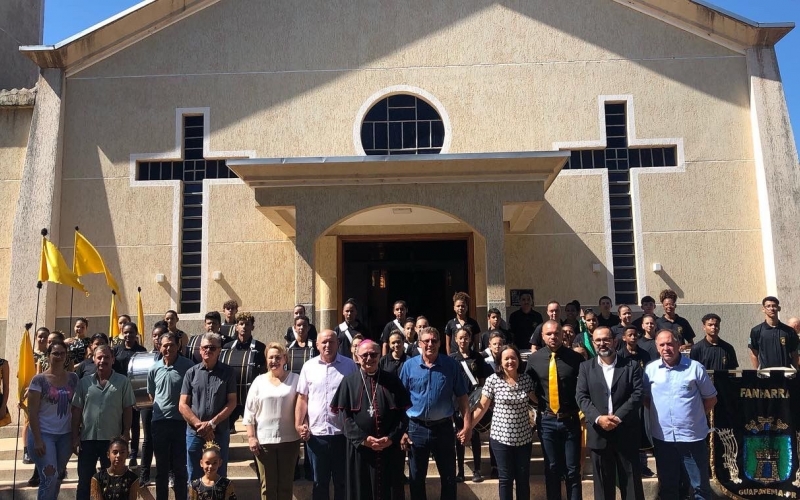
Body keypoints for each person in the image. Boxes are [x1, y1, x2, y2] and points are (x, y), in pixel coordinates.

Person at [332, 340, 410, 500]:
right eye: (365, 355)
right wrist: (363, 439)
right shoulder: (348, 382)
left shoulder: (392, 380)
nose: (369, 358)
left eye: (373, 354)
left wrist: (391, 438)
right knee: (361, 491)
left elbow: (402, 416)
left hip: (390, 450)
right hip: (360, 451)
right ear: (357, 357)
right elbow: (344, 418)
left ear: (379, 355)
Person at [399, 326, 470, 500]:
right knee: (416, 479)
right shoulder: (408, 366)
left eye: (434, 341)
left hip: (443, 428)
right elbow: (400, 401)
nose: (430, 344)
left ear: (439, 343)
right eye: (426, 341)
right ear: (419, 343)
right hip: (417, 428)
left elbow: (462, 397)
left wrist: (467, 425)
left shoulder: (451, 365)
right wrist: (402, 430)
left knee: (448, 478)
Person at [645, 330, 717, 500]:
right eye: (662, 344)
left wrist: (693, 417)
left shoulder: (695, 368)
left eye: (670, 343)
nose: (666, 348)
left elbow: (711, 399)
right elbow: (646, 399)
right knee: (668, 487)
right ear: (657, 347)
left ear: (678, 345)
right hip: (664, 439)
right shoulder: (650, 370)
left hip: (692, 438)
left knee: (699, 486)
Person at [576, 326, 645, 500]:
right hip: (599, 434)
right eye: (598, 340)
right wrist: (598, 419)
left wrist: (618, 417)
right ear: (593, 343)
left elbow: (637, 394)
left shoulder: (632, 366)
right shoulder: (585, 367)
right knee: (602, 486)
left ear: (615, 341)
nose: (602, 343)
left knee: (631, 485)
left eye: (606, 339)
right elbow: (581, 396)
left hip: (626, 432)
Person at [295, 329, 358, 500]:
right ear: (317, 345)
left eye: (331, 342)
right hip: (317, 435)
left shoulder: (349, 366)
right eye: (324, 342)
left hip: (342, 435)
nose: (327, 345)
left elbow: (355, 397)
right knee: (319, 483)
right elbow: (302, 398)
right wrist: (299, 424)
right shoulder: (308, 367)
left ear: (338, 343)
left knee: (342, 482)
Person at [525, 320, 583, 500]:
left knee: (573, 469)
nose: (553, 337)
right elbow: (529, 387)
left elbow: (583, 388)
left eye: (556, 333)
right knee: (551, 468)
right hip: (547, 421)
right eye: (548, 334)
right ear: (542, 336)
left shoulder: (575, 358)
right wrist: (540, 405)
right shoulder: (534, 360)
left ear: (562, 334)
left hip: (570, 420)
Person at [471, 344, 536, 500]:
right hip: (501, 439)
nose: (510, 361)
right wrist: (468, 427)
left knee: (522, 479)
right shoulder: (493, 380)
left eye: (513, 358)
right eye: (506, 358)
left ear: (518, 360)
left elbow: (536, 400)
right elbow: (482, 407)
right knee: (506, 480)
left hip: (524, 438)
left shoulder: (526, 380)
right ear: (500, 361)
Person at [72, 344, 136, 500]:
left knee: (111, 481)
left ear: (113, 359)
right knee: (84, 482)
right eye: (99, 357)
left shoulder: (122, 381)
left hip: (111, 441)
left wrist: (126, 431)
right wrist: (74, 436)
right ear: (93, 359)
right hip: (88, 440)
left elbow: (128, 408)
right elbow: (76, 410)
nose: (103, 360)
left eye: (107, 357)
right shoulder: (84, 382)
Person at [243, 342, 300, 500]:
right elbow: (249, 412)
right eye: (271, 357)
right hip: (264, 442)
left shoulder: (296, 379)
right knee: (267, 487)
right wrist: (251, 437)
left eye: (278, 357)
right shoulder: (259, 381)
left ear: (285, 359)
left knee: (286, 486)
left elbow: (303, 405)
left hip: (290, 440)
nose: (274, 360)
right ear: (266, 360)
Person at [180, 332, 237, 480]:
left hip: (219, 432)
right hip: (195, 434)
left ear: (219, 350)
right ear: (199, 350)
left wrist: (212, 424)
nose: (208, 351)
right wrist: (200, 425)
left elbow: (232, 402)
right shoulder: (190, 373)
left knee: (219, 476)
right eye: (205, 347)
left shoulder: (228, 373)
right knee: (194, 476)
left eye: (212, 348)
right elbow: (182, 405)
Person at [26, 340, 78, 500]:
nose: (59, 356)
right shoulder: (39, 380)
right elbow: (32, 412)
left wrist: (76, 435)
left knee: (57, 476)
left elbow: (77, 407)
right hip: (43, 434)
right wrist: (37, 439)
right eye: (55, 353)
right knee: (49, 476)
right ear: (48, 356)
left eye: (63, 353)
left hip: (65, 435)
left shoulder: (73, 378)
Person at [148, 331, 193, 499]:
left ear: (178, 346)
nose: (168, 348)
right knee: (161, 469)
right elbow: (152, 394)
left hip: (181, 423)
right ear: (159, 347)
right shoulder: (154, 369)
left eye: (171, 345)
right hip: (159, 423)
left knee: (180, 468)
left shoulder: (188, 366)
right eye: (164, 345)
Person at [450, 325, 490, 483]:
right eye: (460, 338)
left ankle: (477, 469)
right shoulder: (452, 359)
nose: (463, 340)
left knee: (474, 434)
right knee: (459, 436)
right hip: (457, 401)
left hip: (474, 400)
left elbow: (482, 381)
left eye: (466, 337)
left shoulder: (477, 357)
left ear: (470, 339)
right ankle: (460, 471)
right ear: (456, 340)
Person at [616, 324, 655, 478]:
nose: (633, 337)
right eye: (630, 335)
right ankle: (631, 468)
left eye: (635, 335)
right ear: (624, 337)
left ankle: (642, 467)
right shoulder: (620, 356)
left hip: (643, 399)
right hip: (626, 400)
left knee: (643, 433)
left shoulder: (644, 355)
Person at [223, 311, 267, 431]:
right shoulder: (227, 347)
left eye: (247, 324)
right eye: (241, 324)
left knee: (256, 430)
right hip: (231, 397)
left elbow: (264, 373)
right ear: (236, 327)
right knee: (225, 431)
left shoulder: (260, 347)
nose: (244, 327)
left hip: (251, 398)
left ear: (252, 327)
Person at [112, 322, 147, 467]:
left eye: (131, 332)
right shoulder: (116, 350)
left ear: (136, 334)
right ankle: (121, 450)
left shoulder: (141, 350)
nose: (128, 335)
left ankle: (133, 453)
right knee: (120, 423)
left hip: (135, 392)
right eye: (125, 332)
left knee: (134, 423)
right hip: (119, 391)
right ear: (122, 333)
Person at [138, 321, 168, 487]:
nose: (157, 338)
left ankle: (168, 473)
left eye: (160, 335)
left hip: (166, 406)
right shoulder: (146, 357)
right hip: (148, 403)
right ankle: (144, 474)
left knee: (165, 439)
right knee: (148, 438)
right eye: (155, 335)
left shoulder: (171, 357)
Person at [748, 295, 799, 369]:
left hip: (786, 373)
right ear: (763, 309)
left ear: (779, 308)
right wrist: (757, 373)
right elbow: (754, 354)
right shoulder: (756, 331)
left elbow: (794, 354)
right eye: (768, 306)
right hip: (766, 374)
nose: (771, 308)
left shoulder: (789, 331)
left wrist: (795, 373)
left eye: (774, 306)